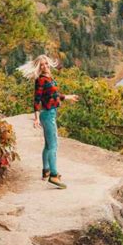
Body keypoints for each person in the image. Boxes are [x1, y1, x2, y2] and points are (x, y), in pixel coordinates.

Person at [17, 54, 79, 189]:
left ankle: (46, 171)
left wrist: (68, 97)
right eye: (41, 65)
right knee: (53, 146)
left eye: (46, 63)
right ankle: (54, 175)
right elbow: (37, 99)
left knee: (47, 144)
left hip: (50, 113)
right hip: (47, 115)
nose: (44, 66)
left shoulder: (48, 78)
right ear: (38, 67)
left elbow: (54, 95)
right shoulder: (40, 80)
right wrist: (37, 118)